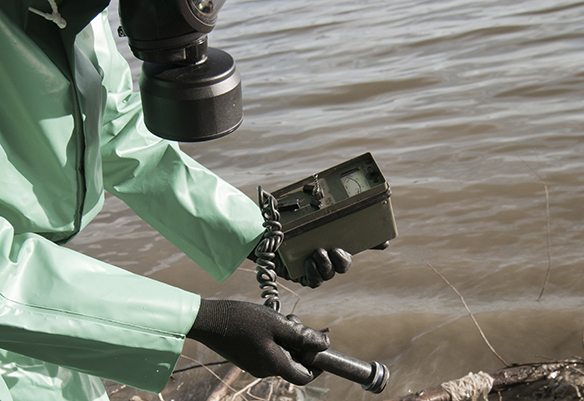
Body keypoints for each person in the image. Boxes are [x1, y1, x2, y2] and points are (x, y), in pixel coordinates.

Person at [0, 1, 352, 400]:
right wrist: (199, 321)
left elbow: (119, 136)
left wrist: (259, 237)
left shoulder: (77, 14)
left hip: (52, 313)